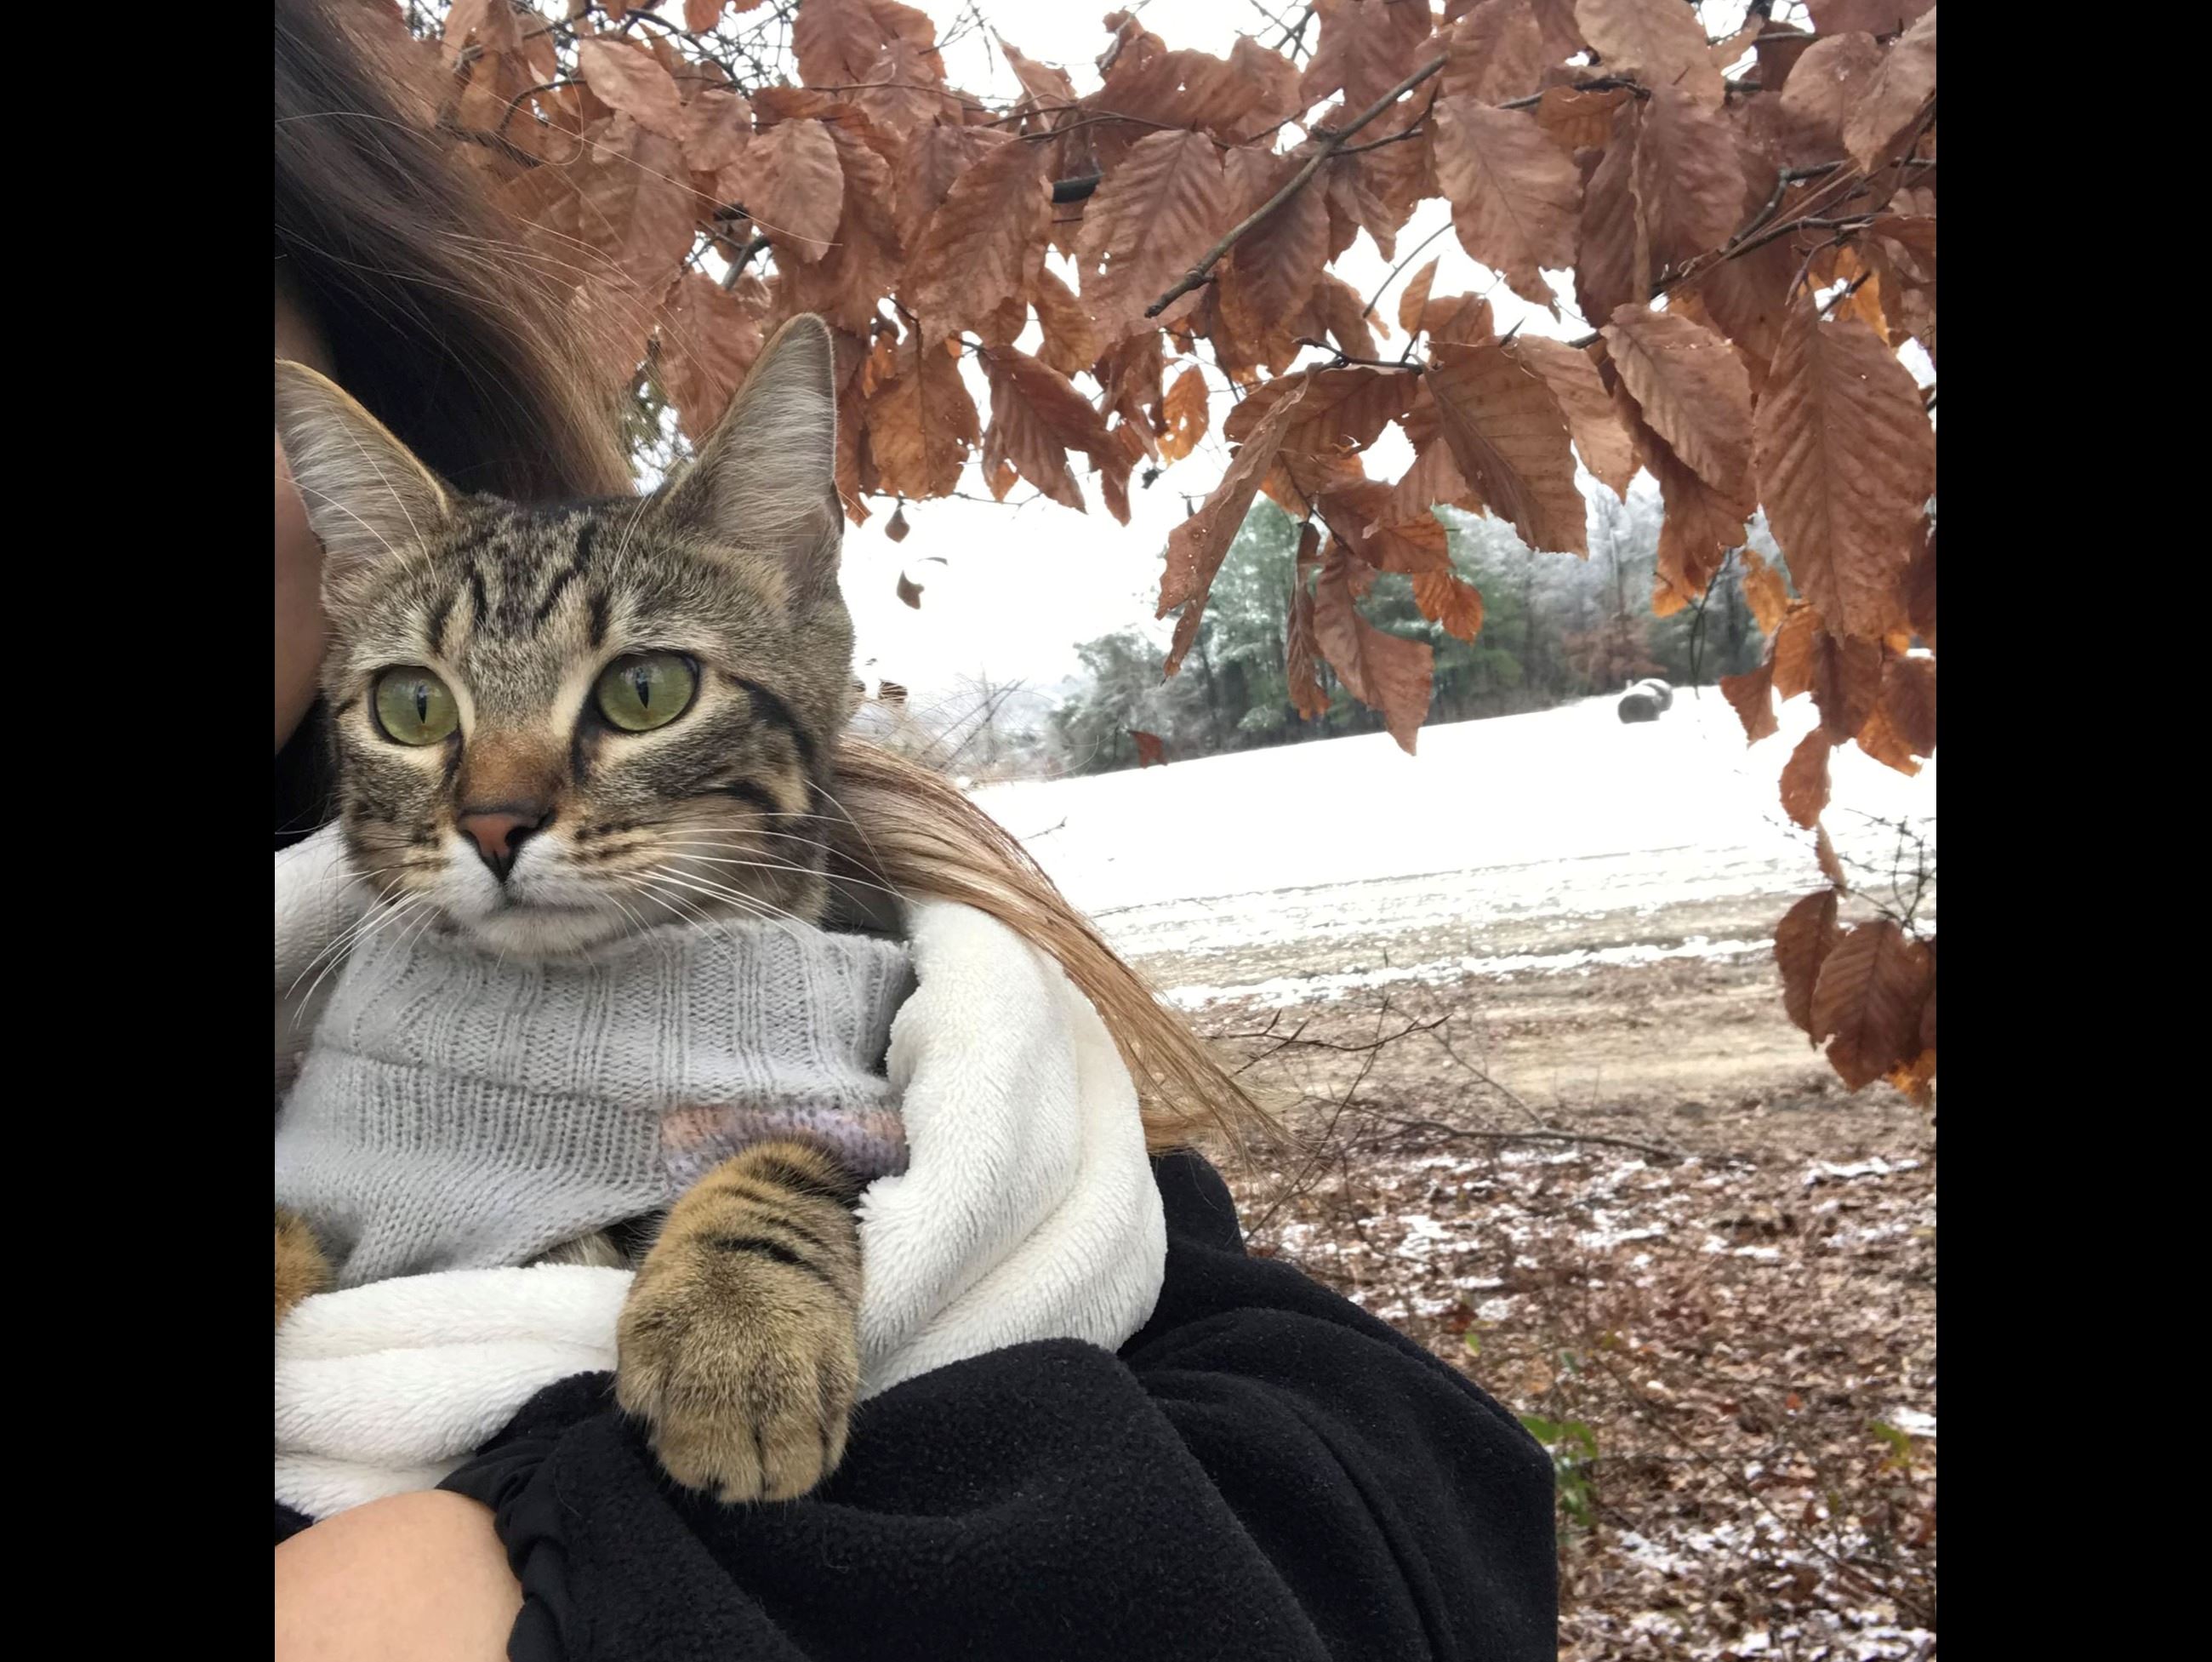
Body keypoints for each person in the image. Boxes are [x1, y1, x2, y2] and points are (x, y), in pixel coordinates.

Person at [272, 3, 1559, 1657]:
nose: (505, 806)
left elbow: (1388, 1501)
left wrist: (546, 1578)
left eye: (635, 691)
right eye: (431, 714)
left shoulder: (877, 961)